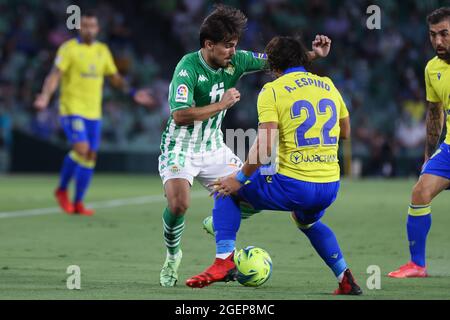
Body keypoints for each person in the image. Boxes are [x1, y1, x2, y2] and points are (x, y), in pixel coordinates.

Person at [158, 4, 332, 287]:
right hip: (181, 147)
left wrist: (315, 55)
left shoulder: (236, 60)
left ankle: (219, 220)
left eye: (235, 45)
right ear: (208, 44)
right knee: (179, 205)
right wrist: (221, 105)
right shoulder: (187, 67)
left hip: (213, 148)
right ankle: (172, 255)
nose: (232, 51)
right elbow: (180, 115)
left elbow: (277, 61)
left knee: (253, 191)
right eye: (227, 46)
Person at [186, 35, 362, 295]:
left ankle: (223, 262)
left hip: (295, 184)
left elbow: (265, 145)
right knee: (308, 222)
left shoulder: (273, 90)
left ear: (273, 66)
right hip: (329, 187)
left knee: (227, 187)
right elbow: (345, 132)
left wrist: (240, 178)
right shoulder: (327, 85)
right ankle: (345, 277)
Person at [34, 11, 154, 216]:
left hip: (93, 113)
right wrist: (45, 96)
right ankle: (62, 190)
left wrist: (133, 93)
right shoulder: (69, 49)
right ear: (79, 27)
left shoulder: (102, 50)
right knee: (82, 149)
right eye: (85, 25)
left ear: (98, 29)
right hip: (72, 109)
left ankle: (78, 202)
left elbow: (115, 78)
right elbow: (55, 75)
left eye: (92, 26)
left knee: (90, 156)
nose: (89, 29)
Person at [388, 7, 450, 278]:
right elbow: (435, 113)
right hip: (449, 148)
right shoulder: (432, 68)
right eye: (433, 35)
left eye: (445, 34)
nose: (438, 41)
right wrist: (428, 154)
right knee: (419, 193)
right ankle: (417, 265)